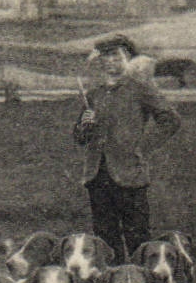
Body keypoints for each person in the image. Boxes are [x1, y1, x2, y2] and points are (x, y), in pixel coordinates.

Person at [72, 35, 180, 263]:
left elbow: (170, 119)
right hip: (97, 176)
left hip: (130, 174)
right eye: (105, 57)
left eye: (116, 56)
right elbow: (80, 137)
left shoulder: (140, 89)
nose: (110, 61)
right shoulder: (94, 94)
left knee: (138, 239)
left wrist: (142, 147)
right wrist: (84, 125)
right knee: (105, 240)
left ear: (128, 59)